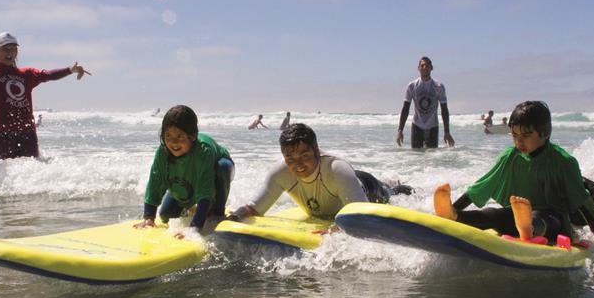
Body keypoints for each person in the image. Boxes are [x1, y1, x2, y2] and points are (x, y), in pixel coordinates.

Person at [433, 101, 594, 244]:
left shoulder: (563, 162)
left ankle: (528, 228)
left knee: (539, 218)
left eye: (526, 136)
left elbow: (582, 200)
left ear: (544, 133)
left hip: (554, 223)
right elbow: (482, 187)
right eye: (514, 135)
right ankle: (454, 216)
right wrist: (455, 206)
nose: (518, 141)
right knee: (493, 215)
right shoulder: (510, 157)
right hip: (516, 217)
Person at [229, 124, 412, 231]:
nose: (298, 164)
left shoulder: (337, 169)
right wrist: (233, 218)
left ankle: (402, 187)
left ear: (316, 150)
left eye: (304, 156)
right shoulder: (280, 173)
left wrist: (335, 231)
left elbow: (361, 217)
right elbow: (253, 209)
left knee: (391, 194)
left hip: (366, 187)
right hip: (340, 189)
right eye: (290, 158)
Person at [0, 32, 90, 159]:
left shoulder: (27, 74)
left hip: (28, 135)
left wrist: (70, 70)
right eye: (5, 49)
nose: (10, 53)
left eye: (13, 49)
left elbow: (48, 75)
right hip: (2, 136)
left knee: (33, 175)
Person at [134, 105, 234, 238]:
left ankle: (216, 212)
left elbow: (206, 189)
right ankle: (192, 208)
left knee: (222, 167)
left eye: (180, 136)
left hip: (214, 173)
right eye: (168, 136)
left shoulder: (204, 151)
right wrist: (149, 217)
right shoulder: (163, 152)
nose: (173, 142)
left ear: (192, 136)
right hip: (186, 180)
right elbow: (155, 183)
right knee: (166, 216)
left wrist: (194, 227)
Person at [396, 57, 454, 148]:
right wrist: (400, 131)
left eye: (427, 65)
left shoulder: (438, 86)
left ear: (431, 68)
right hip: (417, 126)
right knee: (417, 156)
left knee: (431, 158)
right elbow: (405, 109)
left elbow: (444, 110)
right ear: (418, 68)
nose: (424, 67)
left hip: (432, 127)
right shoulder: (412, 86)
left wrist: (447, 132)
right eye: (422, 65)